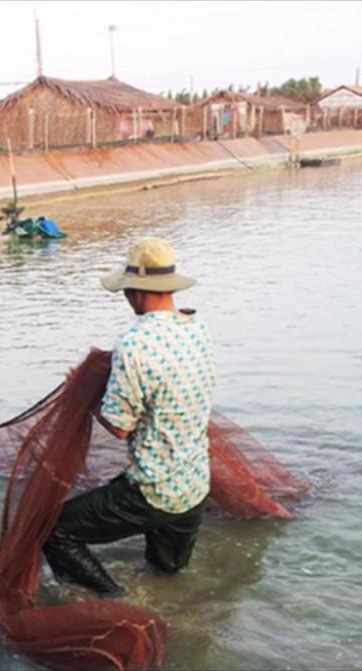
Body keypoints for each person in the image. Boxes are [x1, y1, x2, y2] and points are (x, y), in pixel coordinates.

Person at [43, 238, 216, 597]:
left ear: (136, 292)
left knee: (53, 529)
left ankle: (115, 601)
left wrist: (85, 396)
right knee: (169, 578)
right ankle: (175, 617)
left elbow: (120, 427)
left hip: (153, 491)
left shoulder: (134, 344)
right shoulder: (197, 329)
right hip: (195, 485)